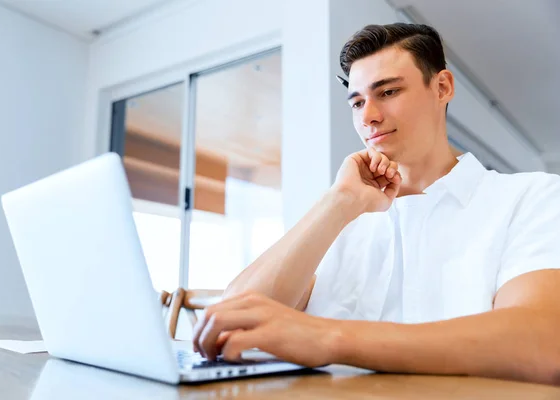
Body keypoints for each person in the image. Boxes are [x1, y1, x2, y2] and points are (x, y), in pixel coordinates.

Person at [192, 23, 560, 385]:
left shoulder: (531, 197)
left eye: (387, 92)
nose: (367, 116)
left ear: (442, 87)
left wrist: (326, 337)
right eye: (357, 102)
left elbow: (544, 343)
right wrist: (337, 202)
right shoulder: (343, 217)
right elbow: (232, 320)